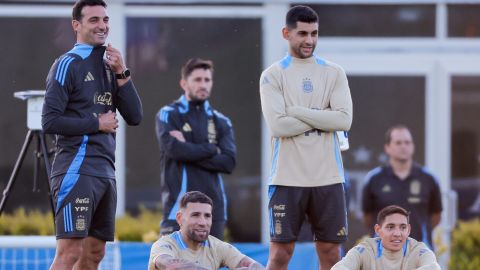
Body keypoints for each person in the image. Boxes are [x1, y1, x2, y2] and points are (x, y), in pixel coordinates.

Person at [41, 0, 143, 269]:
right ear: (77, 25)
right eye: (94, 20)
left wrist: (122, 72)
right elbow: (49, 121)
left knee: (94, 254)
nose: (103, 26)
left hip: (105, 171)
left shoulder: (112, 64)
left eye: (106, 20)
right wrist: (95, 123)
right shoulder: (67, 64)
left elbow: (135, 117)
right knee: (70, 252)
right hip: (77, 168)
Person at [259, 5, 353, 270]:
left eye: (314, 33)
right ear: (286, 33)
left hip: (329, 177)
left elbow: (343, 120)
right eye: (302, 34)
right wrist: (323, 115)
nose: (309, 40)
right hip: (287, 178)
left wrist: (298, 111)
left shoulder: (334, 73)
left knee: (331, 253)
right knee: (280, 255)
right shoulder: (272, 75)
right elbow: (278, 126)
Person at [156, 58, 236, 240]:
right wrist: (211, 149)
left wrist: (188, 149)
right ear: (184, 83)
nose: (203, 85)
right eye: (197, 79)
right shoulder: (169, 113)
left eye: (207, 80)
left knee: (209, 267)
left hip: (213, 213)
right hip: (178, 208)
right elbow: (175, 151)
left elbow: (229, 163)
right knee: (173, 266)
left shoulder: (221, 121)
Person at [362, 125, 442, 249]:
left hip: (419, 252)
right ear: (387, 148)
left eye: (407, 142)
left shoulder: (429, 179)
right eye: (398, 143)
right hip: (382, 254)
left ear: (413, 146)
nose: (403, 146)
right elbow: (368, 218)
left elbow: (436, 217)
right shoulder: (374, 179)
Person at [148, 191, 265, 270]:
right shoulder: (164, 244)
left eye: (207, 216)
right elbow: (172, 266)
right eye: (195, 215)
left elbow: (254, 266)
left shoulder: (217, 246)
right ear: (180, 218)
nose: (203, 222)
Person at [332, 205, 441, 270]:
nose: (397, 233)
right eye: (390, 227)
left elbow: (433, 267)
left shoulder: (419, 250)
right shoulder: (365, 249)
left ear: (408, 230)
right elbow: (340, 268)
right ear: (378, 230)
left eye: (402, 227)